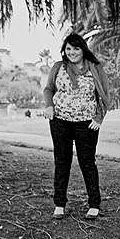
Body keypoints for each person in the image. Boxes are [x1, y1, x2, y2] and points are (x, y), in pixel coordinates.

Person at [42, 33, 111, 220]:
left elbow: (104, 93)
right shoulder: (58, 67)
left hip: (86, 123)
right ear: (64, 50)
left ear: (83, 50)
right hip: (60, 121)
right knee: (61, 162)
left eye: (76, 48)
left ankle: (94, 204)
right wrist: (49, 106)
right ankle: (59, 204)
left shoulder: (95, 68)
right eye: (68, 49)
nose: (72, 52)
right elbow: (48, 89)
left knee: (87, 163)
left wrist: (99, 118)